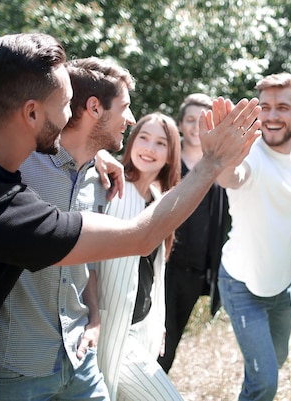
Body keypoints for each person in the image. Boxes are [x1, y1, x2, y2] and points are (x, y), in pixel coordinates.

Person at [0, 32, 261, 401]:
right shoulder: (6, 209)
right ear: (32, 113)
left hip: (74, 358)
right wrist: (211, 163)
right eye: (67, 104)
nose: (73, 114)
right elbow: (141, 236)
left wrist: (90, 156)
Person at [0, 56, 135, 401]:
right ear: (94, 107)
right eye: (125, 107)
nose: (131, 119)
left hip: (79, 357)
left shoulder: (100, 179)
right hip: (17, 367)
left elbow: (86, 260)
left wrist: (94, 318)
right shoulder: (20, 165)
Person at [215, 72, 291, 401]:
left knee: (273, 363)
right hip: (242, 284)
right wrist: (222, 159)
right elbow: (233, 176)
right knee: (266, 382)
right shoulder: (249, 153)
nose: (271, 116)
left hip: (283, 284)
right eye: (265, 107)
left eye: (282, 107)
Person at [95, 112, 183, 401]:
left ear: (171, 155)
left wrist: (159, 324)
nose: (149, 148)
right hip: (111, 330)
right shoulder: (110, 186)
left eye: (160, 143)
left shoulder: (160, 199)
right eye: (143, 138)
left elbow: (155, 275)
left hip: (143, 327)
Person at [158, 93, 230, 373]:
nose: (197, 126)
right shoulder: (167, 162)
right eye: (191, 120)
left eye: (205, 120)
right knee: (156, 336)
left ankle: (152, 386)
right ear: (180, 124)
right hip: (163, 266)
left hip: (195, 270)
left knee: (171, 341)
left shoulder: (219, 168)